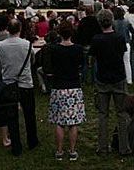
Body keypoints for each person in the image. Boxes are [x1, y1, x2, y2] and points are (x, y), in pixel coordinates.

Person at [89, 9, 130, 155]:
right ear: (111, 21)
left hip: (103, 78)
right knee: (122, 113)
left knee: (103, 114)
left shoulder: (96, 39)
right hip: (118, 77)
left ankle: (102, 147)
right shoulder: (119, 38)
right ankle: (124, 147)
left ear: (99, 22)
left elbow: (92, 59)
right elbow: (122, 53)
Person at [0, 19, 39, 155]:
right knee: (29, 114)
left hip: (9, 83)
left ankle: (16, 145)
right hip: (25, 83)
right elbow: (32, 61)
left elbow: (0, 61)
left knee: (12, 117)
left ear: (8, 29)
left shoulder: (1, 45)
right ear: (20, 29)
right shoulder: (27, 44)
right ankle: (32, 141)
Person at [46, 21, 85, 161]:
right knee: (73, 122)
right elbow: (81, 65)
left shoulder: (54, 49)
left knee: (59, 121)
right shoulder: (78, 49)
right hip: (74, 86)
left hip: (59, 87)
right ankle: (73, 150)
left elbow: (51, 67)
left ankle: (59, 151)